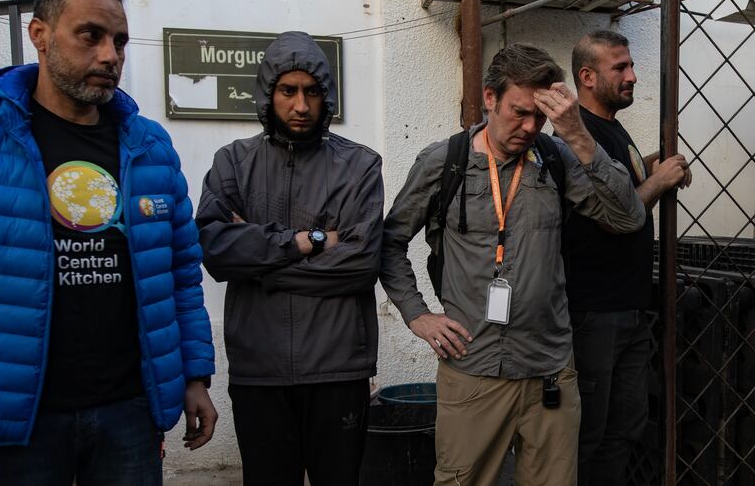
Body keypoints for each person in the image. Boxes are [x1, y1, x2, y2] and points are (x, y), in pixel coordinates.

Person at [0, 0, 216, 486]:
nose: (109, 55)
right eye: (90, 35)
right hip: (13, 422)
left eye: (118, 41)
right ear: (40, 34)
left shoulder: (148, 145)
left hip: (128, 412)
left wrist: (194, 375)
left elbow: (182, 274)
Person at [381, 43, 646, 486]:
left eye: (539, 116)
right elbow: (389, 243)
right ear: (490, 98)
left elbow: (628, 217)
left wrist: (577, 133)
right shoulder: (445, 161)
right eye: (518, 112)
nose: (529, 127)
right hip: (473, 367)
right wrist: (418, 315)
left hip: (550, 372)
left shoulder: (554, 157)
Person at [196, 31, 383, 485]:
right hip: (260, 371)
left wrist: (262, 268)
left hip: (338, 368)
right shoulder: (233, 163)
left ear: (327, 96)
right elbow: (217, 251)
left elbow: (361, 264)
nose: (301, 105)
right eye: (288, 91)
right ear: (268, 93)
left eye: (312, 91)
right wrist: (307, 241)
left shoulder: (359, 166)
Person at [565, 30, 690, 486]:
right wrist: (657, 183)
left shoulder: (612, 131)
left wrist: (653, 167)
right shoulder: (577, 137)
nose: (633, 76)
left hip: (630, 309)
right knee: (590, 434)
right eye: (620, 67)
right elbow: (615, 216)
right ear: (587, 76)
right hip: (595, 313)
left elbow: (623, 189)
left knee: (625, 428)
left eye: (631, 65)